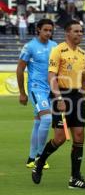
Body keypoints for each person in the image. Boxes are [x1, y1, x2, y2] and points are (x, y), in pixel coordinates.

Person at [31, 20, 85, 189]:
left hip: (77, 97)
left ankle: (75, 178)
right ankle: (40, 162)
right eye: (76, 31)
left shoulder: (82, 53)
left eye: (81, 31)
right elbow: (51, 76)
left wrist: (83, 97)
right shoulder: (58, 50)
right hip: (62, 95)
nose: (80, 34)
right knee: (59, 138)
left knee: (79, 136)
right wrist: (58, 98)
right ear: (67, 33)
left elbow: (83, 78)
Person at [16, 19, 57, 169]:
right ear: (38, 30)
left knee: (39, 122)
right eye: (45, 30)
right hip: (36, 88)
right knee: (47, 119)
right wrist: (22, 93)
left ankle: (31, 158)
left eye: (50, 30)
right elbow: (20, 69)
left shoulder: (55, 46)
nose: (48, 33)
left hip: (50, 89)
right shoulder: (30, 47)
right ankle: (41, 156)